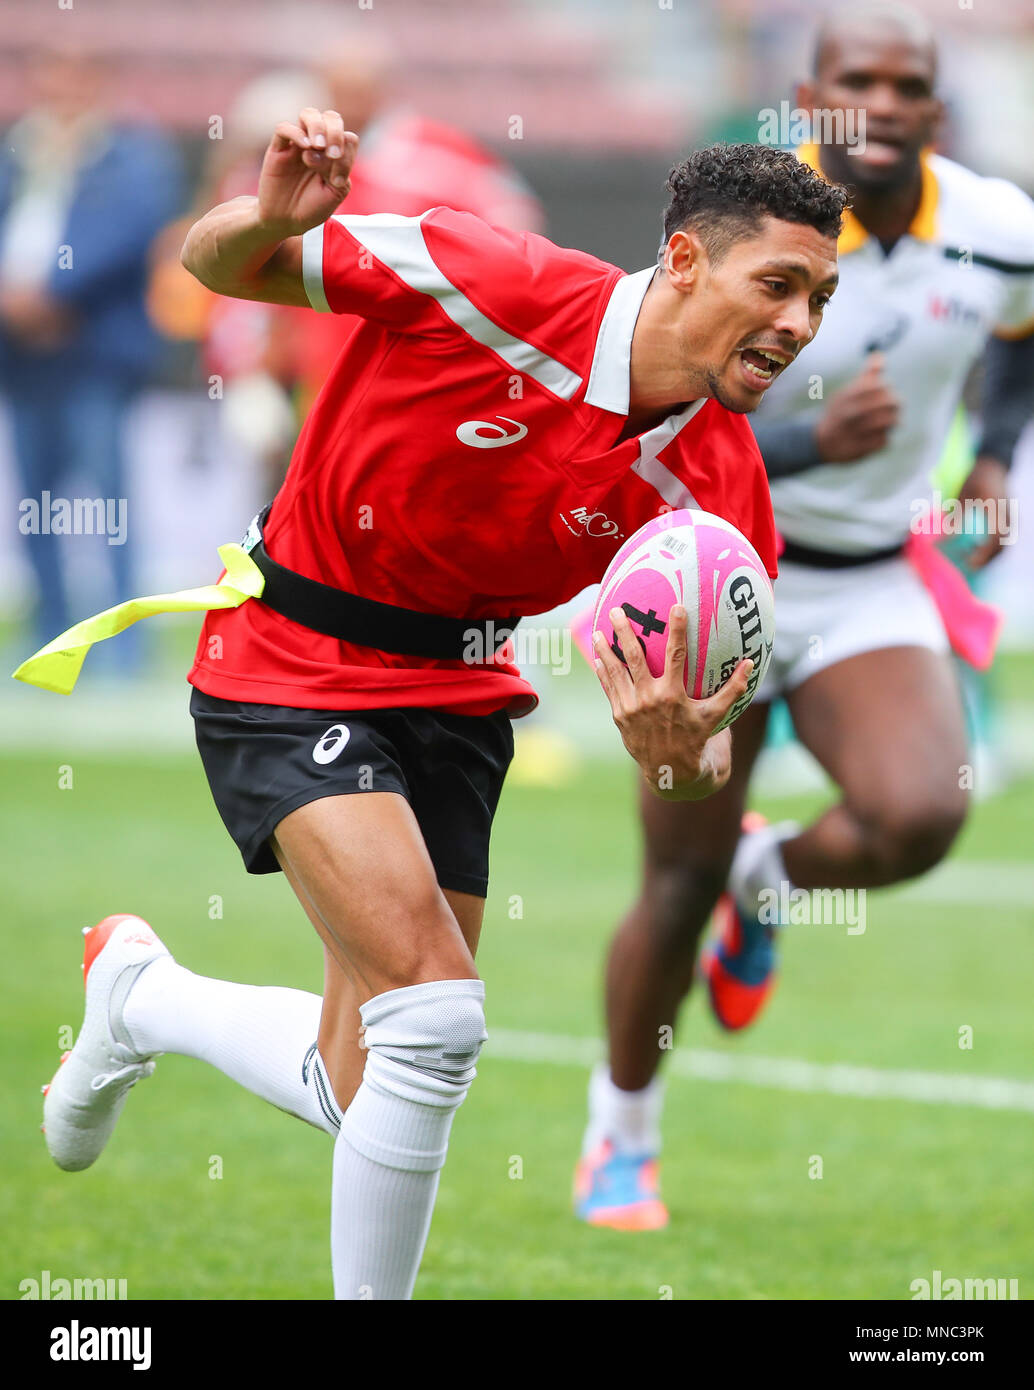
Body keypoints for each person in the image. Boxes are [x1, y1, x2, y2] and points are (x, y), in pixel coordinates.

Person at [40, 117, 843, 1299]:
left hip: (462, 696)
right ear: (680, 261)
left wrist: (674, 758)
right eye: (776, 284)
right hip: (288, 650)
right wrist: (269, 217)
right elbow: (218, 266)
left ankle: (143, 998)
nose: (798, 323)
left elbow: (701, 768)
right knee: (434, 1018)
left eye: (819, 297)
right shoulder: (489, 277)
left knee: (365, 1078)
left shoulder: (717, 485)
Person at [575, 2, 1034, 1231]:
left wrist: (988, 456)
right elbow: (648, 410)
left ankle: (766, 880)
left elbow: (1020, 331)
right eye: (854, 81)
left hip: (867, 574)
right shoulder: (751, 228)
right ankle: (618, 1134)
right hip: (715, 572)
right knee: (673, 884)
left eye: (904, 84)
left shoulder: (996, 231)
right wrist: (802, 441)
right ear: (810, 96)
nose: (878, 104)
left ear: (933, 107)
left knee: (923, 809)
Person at [0, 46, 181, 662]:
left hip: (94, 351)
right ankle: (47, 629)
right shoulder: (19, 151)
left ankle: (121, 640)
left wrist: (52, 295)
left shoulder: (130, 153)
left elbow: (130, 230)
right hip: (24, 356)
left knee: (108, 501)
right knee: (37, 503)